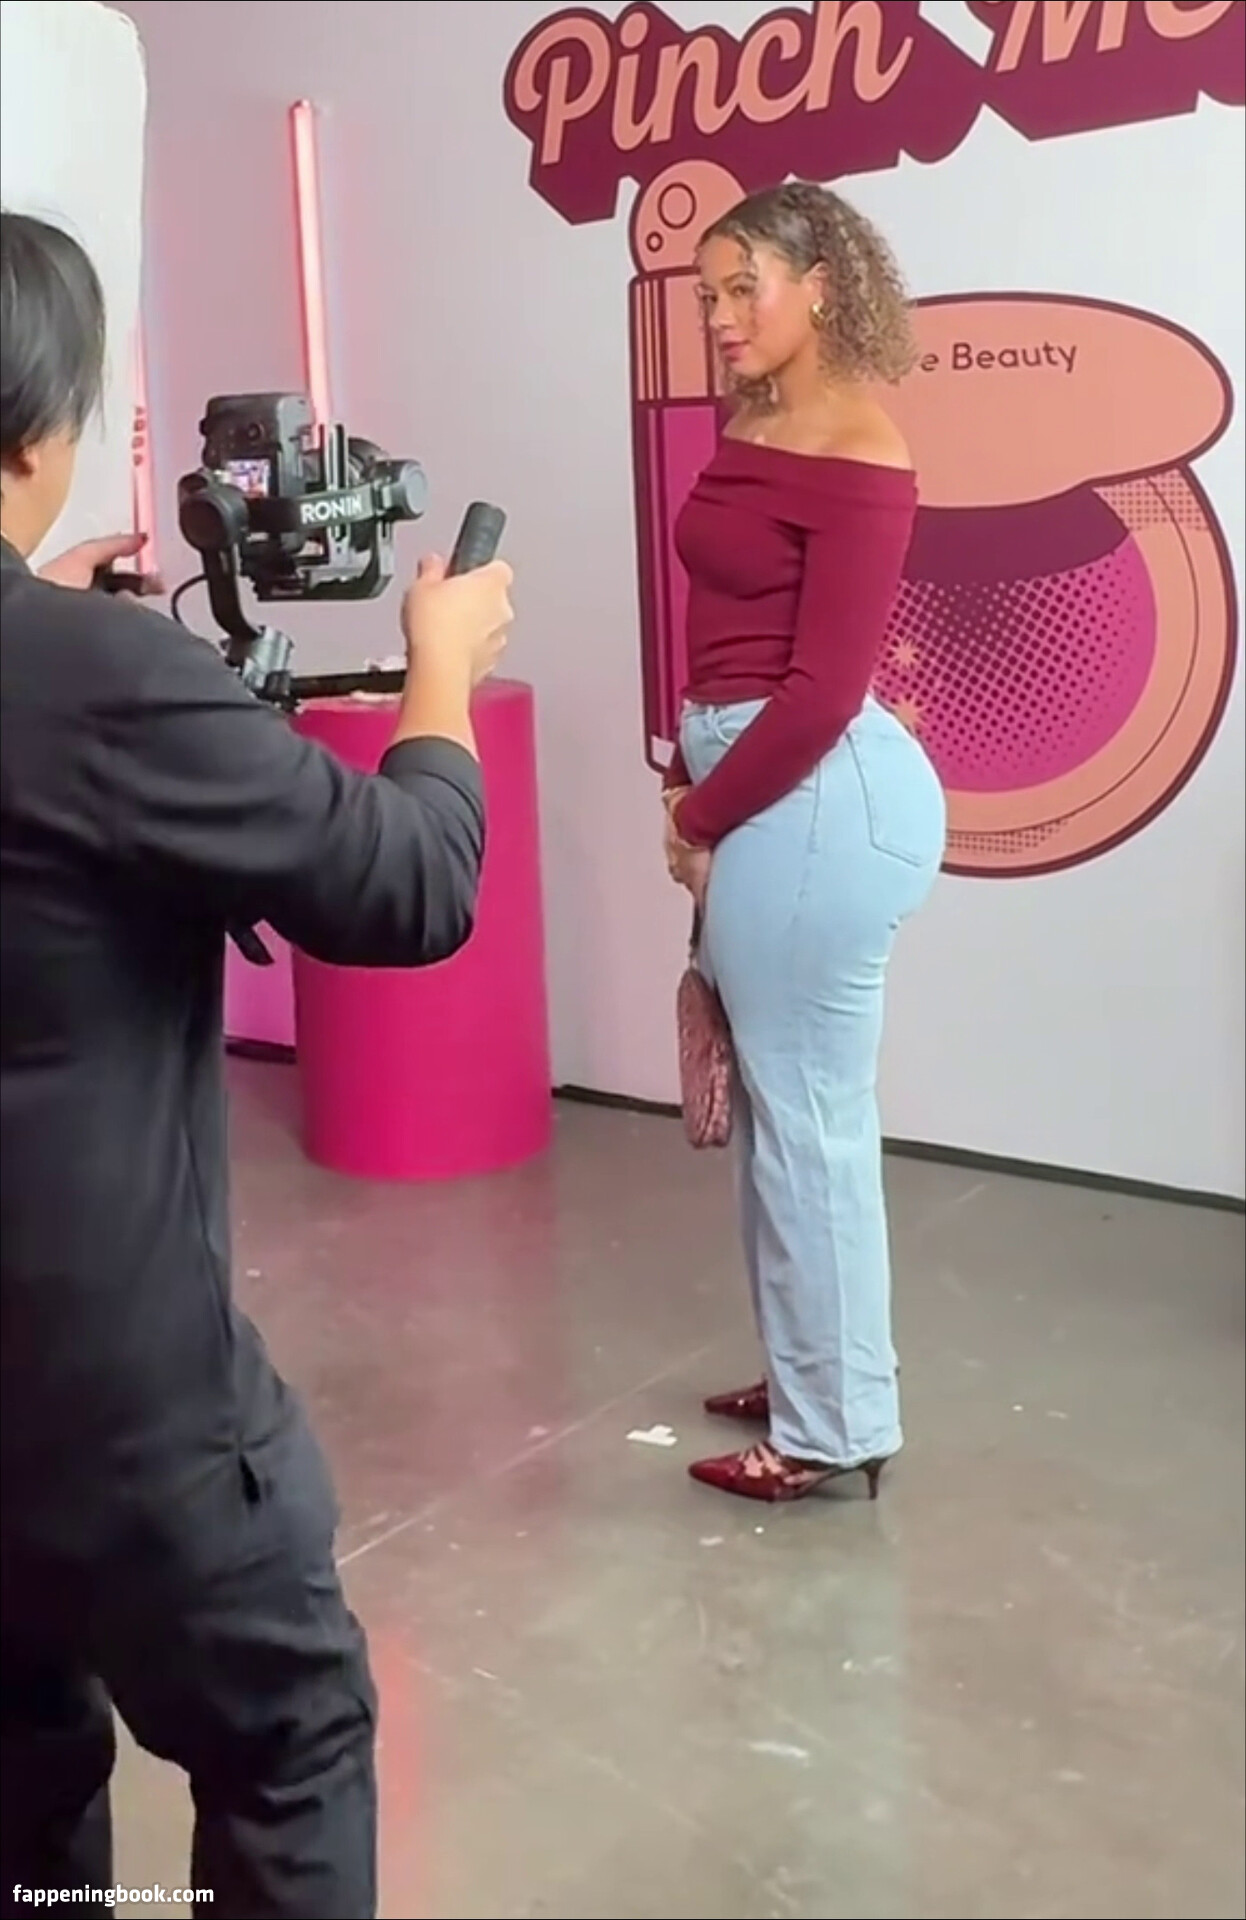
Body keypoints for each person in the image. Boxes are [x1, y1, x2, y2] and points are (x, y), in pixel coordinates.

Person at [0, 209, 513, 1916]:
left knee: (20, 1785)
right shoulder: (98, 681)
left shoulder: (82, 673)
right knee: (289, 1750)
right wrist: (438, 678)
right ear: (37, 432)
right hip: (114, 1404)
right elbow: (409, 883)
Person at [662, 182, 947, 1505]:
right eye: (707, 293)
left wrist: (699, 815)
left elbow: (824, 691)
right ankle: (813, 1376)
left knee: (810, 1125)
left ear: (819, 286)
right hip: (766, 784)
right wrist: (693, 776)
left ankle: (832, 1428)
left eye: (744, 289)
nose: (720, 316)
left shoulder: (858, 447)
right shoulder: (756, 417)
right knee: (787, 1115)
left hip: (816, 796)